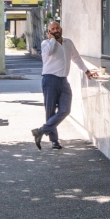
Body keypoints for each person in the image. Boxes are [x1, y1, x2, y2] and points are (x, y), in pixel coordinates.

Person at [32, 22, 97, 150]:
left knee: (65, 110)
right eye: (52, 29)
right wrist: (52, 40)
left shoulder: (68, 43)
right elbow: (49, 53)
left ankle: (40, 131)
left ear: (61, 29)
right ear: (49, 32)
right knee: (50, 111)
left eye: (57, 28)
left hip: (63, 81)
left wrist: (87, 71)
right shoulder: (46, 44)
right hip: (49, 80)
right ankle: (54, 141)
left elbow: (76, 58)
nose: (55, 30)